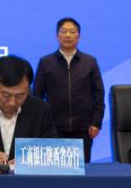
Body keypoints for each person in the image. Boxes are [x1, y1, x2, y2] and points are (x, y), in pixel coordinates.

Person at [33, 17, 104, 163]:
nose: (68, 35)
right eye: (64, 31)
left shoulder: (89, 62)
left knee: (82, 168)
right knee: (54, 167)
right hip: (54, 127)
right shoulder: (46, 62)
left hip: (83, 128)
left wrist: (96, 122)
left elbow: (98, 94)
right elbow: (37, 95)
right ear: (57, 35)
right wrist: (41, 123)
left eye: (72, 32)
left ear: (79, 36)